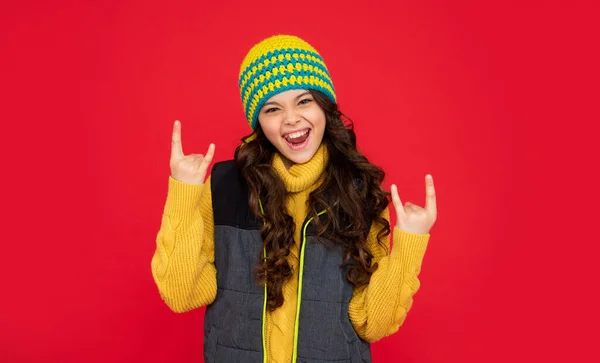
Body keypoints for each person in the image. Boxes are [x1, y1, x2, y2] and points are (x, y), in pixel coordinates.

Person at [151, 34, 437, 363]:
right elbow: (181, 293)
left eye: (304, 101)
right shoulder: (225, 187)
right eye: (273, 108)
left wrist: (410, 243)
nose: (291, 119)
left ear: (324, 106)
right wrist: (183, 191)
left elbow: (373, 322)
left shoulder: (359, 194)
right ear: (258, 121)